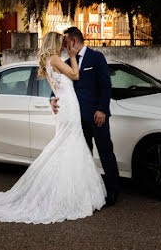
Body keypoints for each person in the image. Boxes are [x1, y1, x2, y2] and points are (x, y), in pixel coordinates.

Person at [0, 32, 107, 224]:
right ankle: (66, 195)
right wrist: (74, 57)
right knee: (68, 145)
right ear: (54, 44)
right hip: (68, 108)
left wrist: (54, 96)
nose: (63, 46)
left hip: (66, 106)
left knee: (68, 145)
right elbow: (75, 75)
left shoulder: (51, 60)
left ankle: (69, 191)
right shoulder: (55, 59)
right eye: (61, 43)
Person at [51, 27, 120, 206]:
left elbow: (106, 85)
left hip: (97, 115)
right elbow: (59, 85)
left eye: (65, 42)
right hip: (76, 117)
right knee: (84, 154)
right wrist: (51, 98)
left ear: (74, 41)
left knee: (105, 152)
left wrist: (102, 109)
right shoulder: (67, 61)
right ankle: (89, 191)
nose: (64, 46)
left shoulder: (96, 57)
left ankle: (113, 190)